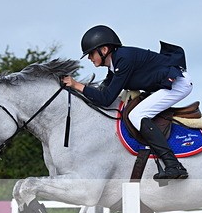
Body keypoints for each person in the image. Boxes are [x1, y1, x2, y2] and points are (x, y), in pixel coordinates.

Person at [62, 25, 190, 180]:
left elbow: (106, 99)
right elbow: (102, 93)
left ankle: (173, 165)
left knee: (136, 115)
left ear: (104, 50)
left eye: (91, 53)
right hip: (165, 84)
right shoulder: (114, 66)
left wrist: (76, 85)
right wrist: (76, 90)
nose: (89, 58)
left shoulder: (123, 59)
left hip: (177, 85)